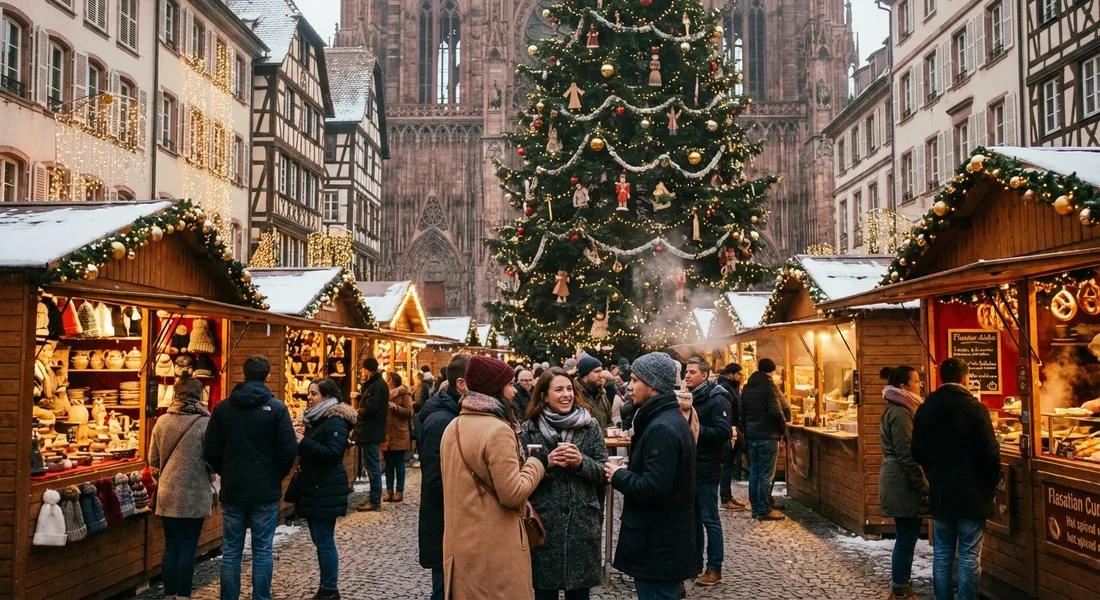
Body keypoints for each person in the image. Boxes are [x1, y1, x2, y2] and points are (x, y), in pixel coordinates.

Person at [441, 355, 547, 599]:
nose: (514, 391)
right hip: (494, 550)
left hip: (461, 549)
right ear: (494, 389)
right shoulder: (498, 430)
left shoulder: (452, 427)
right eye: (509, 385)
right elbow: (512, 494)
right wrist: (537, 464)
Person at [204, 355, 297, 600]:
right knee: (262, 550)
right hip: (265, 488)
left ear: (243, 374)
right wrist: (276, 473)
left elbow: (211, 448)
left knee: (231, 551)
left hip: (234, 487)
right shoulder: (277, 408)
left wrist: (226, 470)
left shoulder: (223, 408)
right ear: (268, 376)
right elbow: (288, 449)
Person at [605, 352, 696, 600]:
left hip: (658, 545)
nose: (629, 387)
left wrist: (619, 475)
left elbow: (654, 488)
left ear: (652, 384)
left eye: (635, 380)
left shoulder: (661, 428)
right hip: (662, 542)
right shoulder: (666, 419)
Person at [912, 358, 1000, 600]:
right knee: (969, 555)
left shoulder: (926, 408)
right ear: (965, 378)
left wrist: (934, 472)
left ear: (942, 378)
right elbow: (991, 453)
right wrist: (990, 483)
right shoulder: (976, 409)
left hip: (941, 492)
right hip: (973, 493)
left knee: (942, 553)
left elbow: (917, 451)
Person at [520, 368, 608, 600]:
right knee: (544, 594)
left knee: (579, 595)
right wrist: (545, 464)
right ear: (544, 396)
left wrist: (581, 463)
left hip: (582, 524)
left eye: (569, 389)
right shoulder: (529, 429)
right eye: (559, 390)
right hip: (545, 524)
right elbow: (519, 476)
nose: (566, 394)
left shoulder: (590, 426)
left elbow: (604, 472)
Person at [149, 372, 212, 600]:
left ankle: (169, 593)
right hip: (195, 490)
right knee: (188, 546)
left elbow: (153, 460)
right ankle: (184, 594)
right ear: (199, 396)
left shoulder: (162, 422)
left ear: (176, 395)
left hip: (168, 491)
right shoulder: (205, 423)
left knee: (171, 545)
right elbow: (212, 460)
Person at [295, 379, 357, 600]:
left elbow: (332, 454)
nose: (309, 397)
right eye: (309, 393)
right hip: (317, 486)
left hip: (326, 488)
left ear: (327, 397)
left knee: (324, 541)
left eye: (314, 394)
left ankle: (330, 589)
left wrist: (303, 441)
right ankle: (326, 587)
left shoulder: (335, 421)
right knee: (320, 541)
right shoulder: (319, 419)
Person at [418, 354, 471, 600]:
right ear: (461, 384)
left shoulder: (454, 413)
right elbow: (436, 480)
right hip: (445, 522)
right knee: (445, 587)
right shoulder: (441, 420)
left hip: (453, 521)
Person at [879, 366, 929, 600]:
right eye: (916, 381)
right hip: (901, 481)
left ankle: (902, 587)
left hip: (898, 478)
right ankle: (900, 590)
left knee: (906, 537)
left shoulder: (900, 408)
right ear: (903, 386)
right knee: (906, 538)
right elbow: (906, 454)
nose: (920, 385)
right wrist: (922, 486)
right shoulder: (901, 412)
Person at [684, 357, 732, 586]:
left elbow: (723, 432)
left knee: (710, 519)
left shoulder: (717, 399)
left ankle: (714, 568)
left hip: (708, 467)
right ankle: (694, 565)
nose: (687, 375)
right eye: (686, 371)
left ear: (704, 375)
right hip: (690, 466)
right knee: (692, 518)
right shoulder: (687, 398)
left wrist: (695, 430)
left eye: (692, 372)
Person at [740, 358, 789, 521]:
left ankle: (756, 508)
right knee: (766, 475)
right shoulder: (770, 386)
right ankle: (763, 510)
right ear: (772, 371)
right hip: (768, 435)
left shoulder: (747, 387)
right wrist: (783, 429)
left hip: (752, 435)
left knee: (755, 471)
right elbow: (776, 411)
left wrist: (747, 430)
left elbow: (742, 411)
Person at [354, 358, 389, 511]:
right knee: (372, 465)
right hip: (372, 430)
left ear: (367, 369)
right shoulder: (377, 384)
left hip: (371, 430)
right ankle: (374, 498)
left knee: (373, 466)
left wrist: (358, 411)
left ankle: (375, 500)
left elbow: (372, 408)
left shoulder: (376, 386)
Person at [717, 364, 747, 510]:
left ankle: (727, 496)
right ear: (731, 374)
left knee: (729, 464)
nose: (741, 376)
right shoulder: (726, 388)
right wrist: (731, 428)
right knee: (727, 465)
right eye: (739, 374)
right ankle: (725, 498)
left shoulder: (732, 387)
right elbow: (727, 410)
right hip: (730, 430)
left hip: (734, 428)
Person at [383, 372, 414, 502]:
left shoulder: (404, 394)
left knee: (399, 464)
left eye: (388, 380)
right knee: (388, 465)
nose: (386, 382)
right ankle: (389, 490)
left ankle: (399, 491)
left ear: (393, 382)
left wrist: (396, 407)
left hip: (399, 433)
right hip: (387, 434)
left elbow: (409, 412)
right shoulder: (385, 394)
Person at [576, 354, 611, 429]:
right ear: (585, 375)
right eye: (597, 371)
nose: (601, 375)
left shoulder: (601, 394)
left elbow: (609, 421)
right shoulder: (576, 395)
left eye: (601, 371)